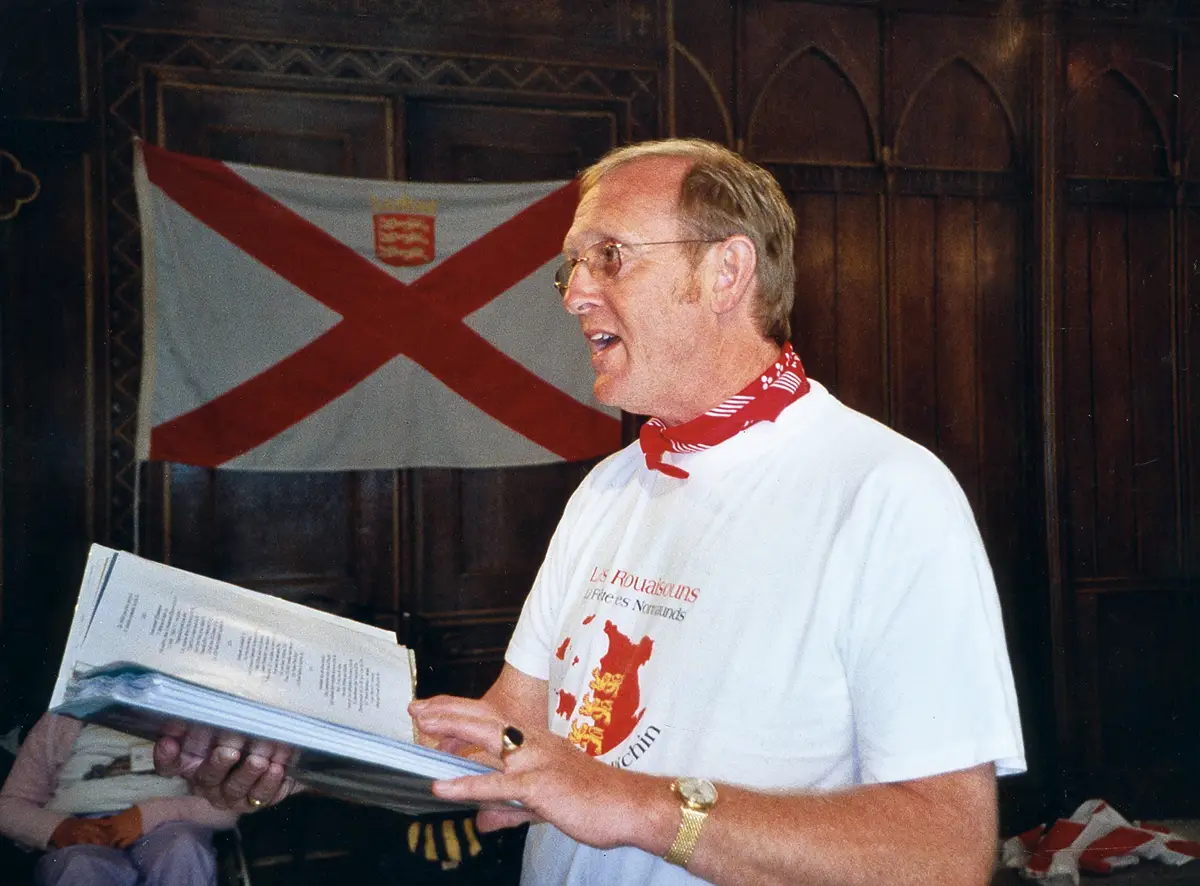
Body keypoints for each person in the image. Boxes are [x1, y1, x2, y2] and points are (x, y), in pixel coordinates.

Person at [154, 138, 1026, 886]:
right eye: (572, 264)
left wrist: (640, 807)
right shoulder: (611, 487)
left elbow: (944, 851)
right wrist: (295, 754)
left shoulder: (883, 492)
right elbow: (512, 737)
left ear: (725, 271)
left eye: (611, 255)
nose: (574, 293)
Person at [0, 712, 239, 886]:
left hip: (169, 822)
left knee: (182, 849)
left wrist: (145, 817)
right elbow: (8, 806)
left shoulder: (193, 717)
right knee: (79, 866)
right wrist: (59, 829)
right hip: (81, 831)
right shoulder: (61, 718)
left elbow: (226, 810)